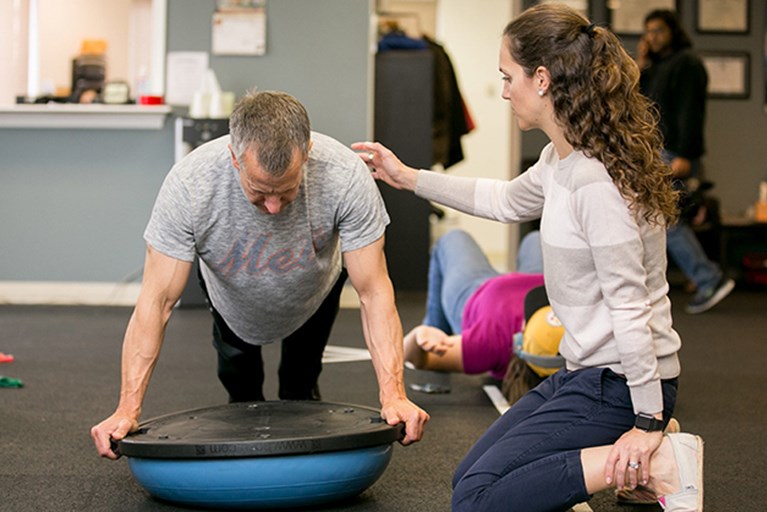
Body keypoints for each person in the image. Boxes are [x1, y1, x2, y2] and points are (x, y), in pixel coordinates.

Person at [353, 4, 703, 511]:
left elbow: (630, 308)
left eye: (507, 77)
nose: (502, 91)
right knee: (467, 478)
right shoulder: (561, 159)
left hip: (620, 386)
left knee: (475, 500)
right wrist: (406, 176)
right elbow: (501, 199)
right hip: (583, 374)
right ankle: (631, 459)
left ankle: (657, 460)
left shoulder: (598, 185)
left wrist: (646, 421)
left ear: (542, 79)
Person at [90, 90, 429, 459]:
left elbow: (374, 292)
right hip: (230, 293)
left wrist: (394, 396)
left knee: (300, 383)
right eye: (259, 190)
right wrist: (127, 409)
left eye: (286, 191)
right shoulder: (189, 185)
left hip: (313, 289)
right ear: (234, 158)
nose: (272, 207)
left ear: (307, 152)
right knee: (240, 385)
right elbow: (156, 302)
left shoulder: (345, 176)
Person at [638, 9, 734, 314]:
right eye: (648, 32)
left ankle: (708, 278)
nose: (653, 37)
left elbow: (691, 113)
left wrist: (685, 156)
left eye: (659, 31)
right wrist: (641, 64)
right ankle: (705, 277)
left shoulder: (687, 63)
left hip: (674, 152)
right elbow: (639, 101)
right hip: (657, 150)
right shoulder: (658, 67)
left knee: (664, 221)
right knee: (662, 219)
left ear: (673, 31)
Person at [404, 229, 565, 405]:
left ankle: (437, 325)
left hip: (478, 291)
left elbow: (418, 357)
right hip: (540, 279)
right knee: (536, 237)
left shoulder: (489, 343)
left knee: (452, 238)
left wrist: (420, 335)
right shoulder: (586, 339)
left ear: (521, 336)